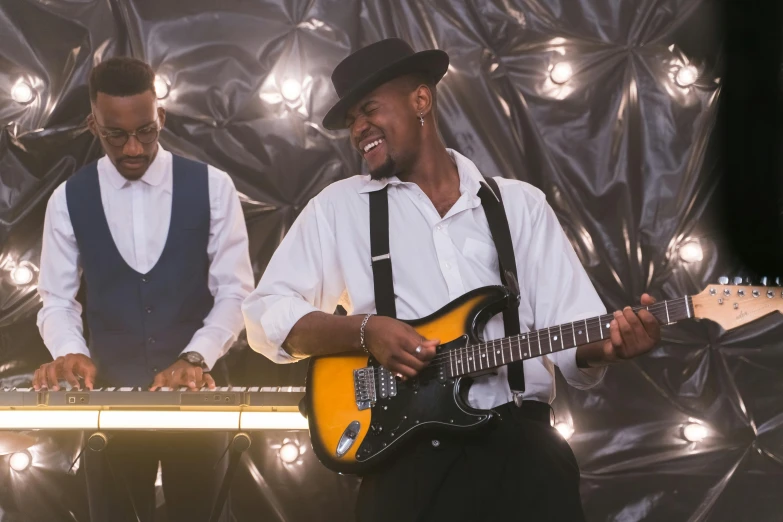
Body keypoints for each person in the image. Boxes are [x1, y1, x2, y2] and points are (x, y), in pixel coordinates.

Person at [242, 39, 661, 522]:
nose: (359, 129)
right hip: (407, 465)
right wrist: (365, 331)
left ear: (421, 100)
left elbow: (574, 328)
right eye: (352, 119)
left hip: (525, 456)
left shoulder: (518, 205)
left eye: (369, 110)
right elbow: (265, 314)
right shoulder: (339, 209)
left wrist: (611, 345)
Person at [34, 57, 254, 522]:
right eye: (116, 135)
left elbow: (236, 292)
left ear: (162, 118)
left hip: (200, 405)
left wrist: (195, 358)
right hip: (108, 409)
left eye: (146, 131)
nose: (133, 147)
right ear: (94, 124)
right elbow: (56, 299)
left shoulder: (214, 187)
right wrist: (70, 351)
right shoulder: (67, 200)